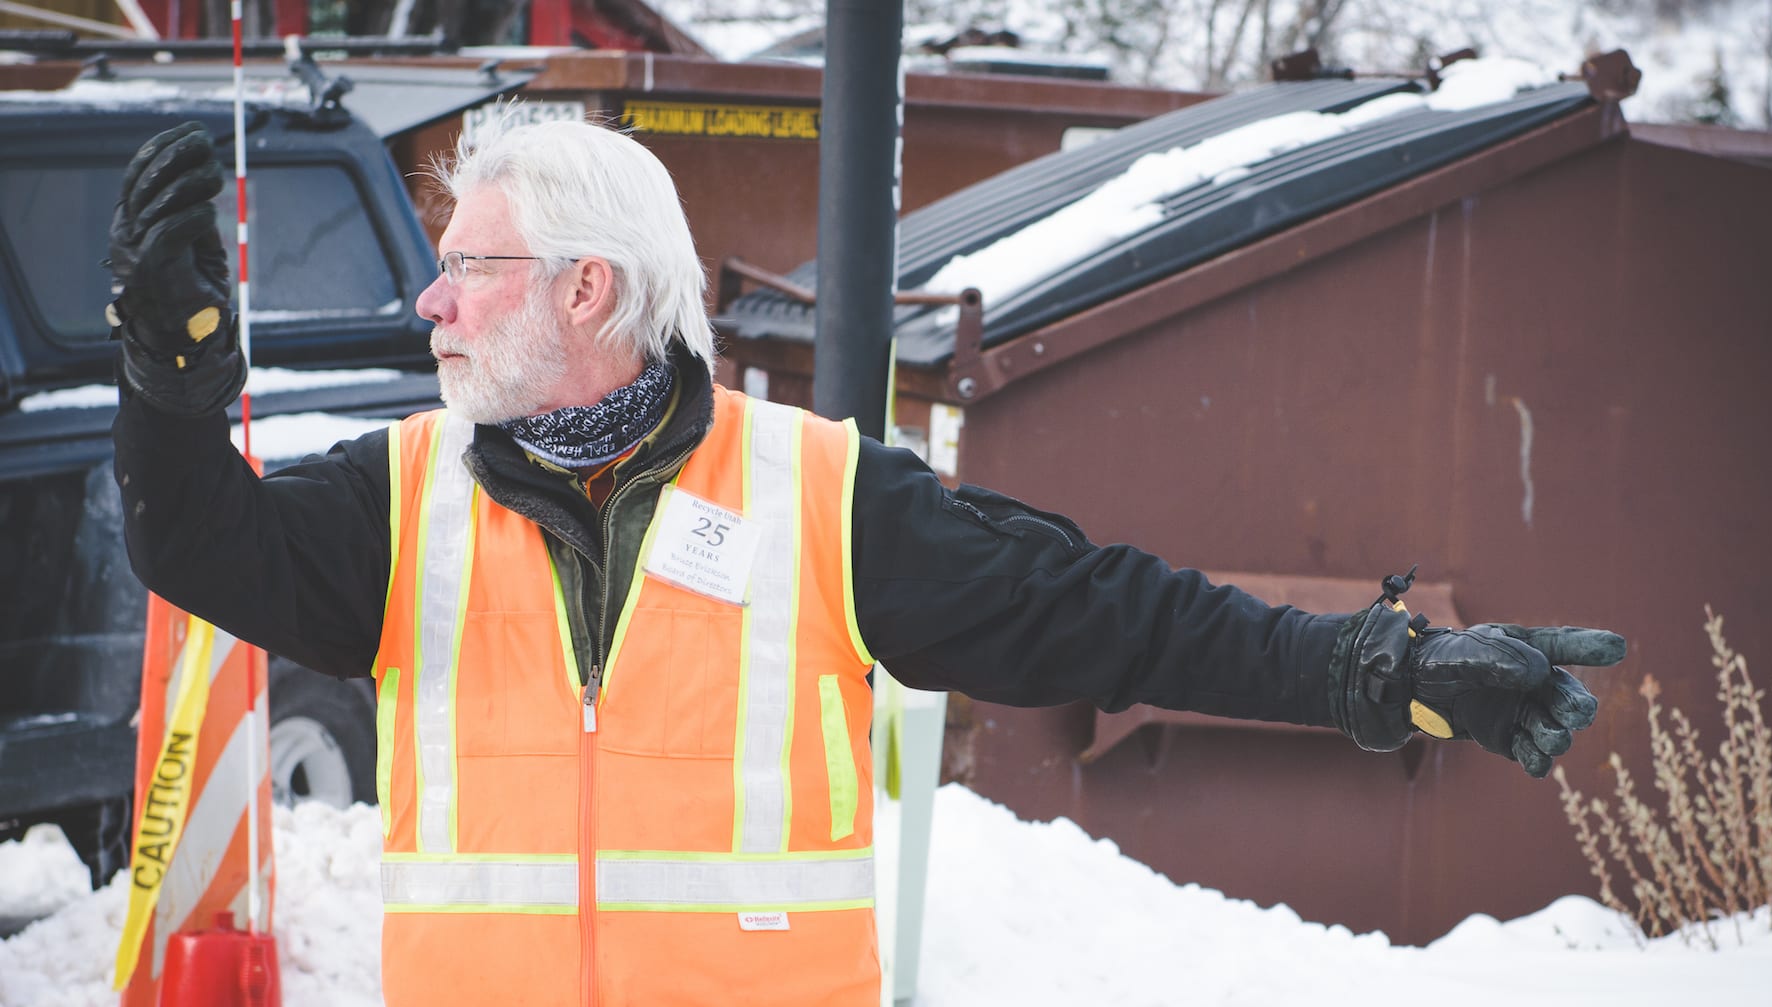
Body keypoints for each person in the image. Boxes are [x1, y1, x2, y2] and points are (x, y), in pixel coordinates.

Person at [108, 118, 1625, 1006]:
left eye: (467, 266)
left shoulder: (816, 497)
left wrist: (1379, 668)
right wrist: (167, 401)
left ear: (584, 287)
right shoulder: (407, 499)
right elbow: (199, 547)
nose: (429, 304)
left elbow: (1103, 620)